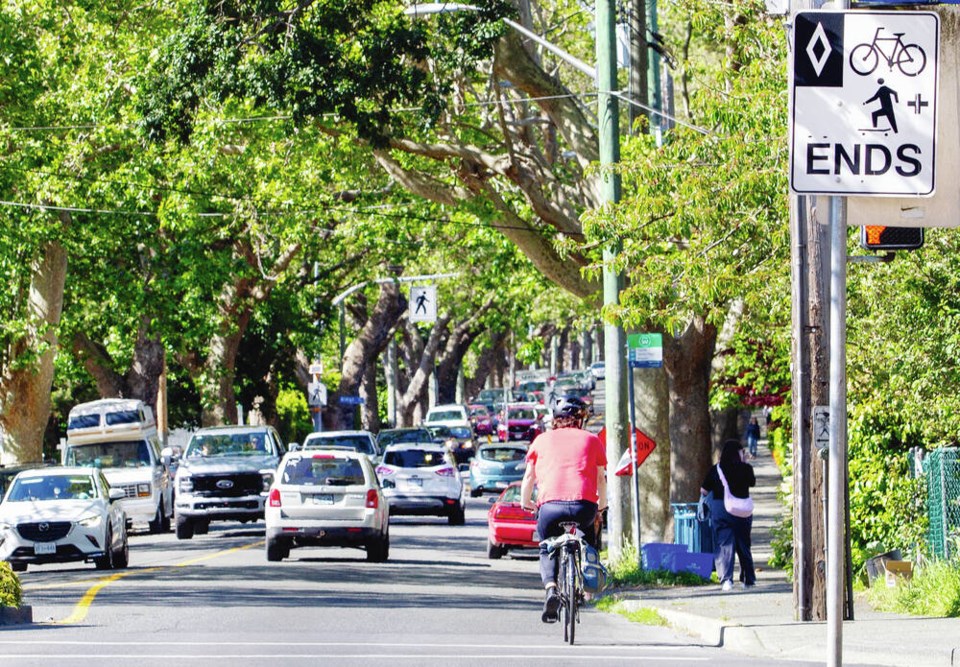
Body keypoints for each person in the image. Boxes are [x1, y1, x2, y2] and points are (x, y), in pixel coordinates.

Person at [520, 396, 607, 623]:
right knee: (588, 539)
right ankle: (587, 580)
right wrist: (602, 505)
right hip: (583, 507)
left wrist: (525, 502)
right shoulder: (592, 440)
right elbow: (601, 479)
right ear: (579, 420)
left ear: (555, 419)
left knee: (547, 546)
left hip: (550, 507)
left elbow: (529, 477)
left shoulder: (540, 441)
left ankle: (551, 588)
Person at [700, 439, 756, 591]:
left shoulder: (716, 469)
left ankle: (726, 580)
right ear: (738, 453)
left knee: (724, 544)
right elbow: (752, 482)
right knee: (744, 544)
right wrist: (744, 462)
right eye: (742, 452)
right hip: (742, 512)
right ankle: (748, 579)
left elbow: (704, 490)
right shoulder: (746, 469)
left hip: (721, 510)